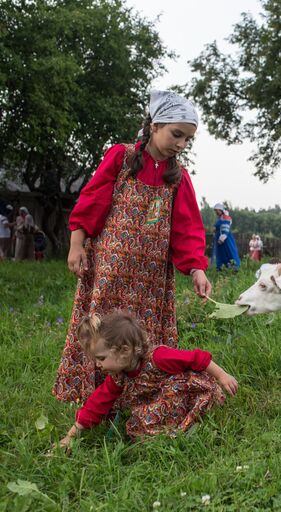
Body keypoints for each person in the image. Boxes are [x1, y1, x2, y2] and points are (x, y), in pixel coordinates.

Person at [53, 90, 211, 405]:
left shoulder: (177, 177)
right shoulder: (122, 157)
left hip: (151, 280)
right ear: (154, 126)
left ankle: (141, 393)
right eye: (175, 134)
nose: (180, 144)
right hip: (111, 269)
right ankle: (92, 391)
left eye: (187, 140)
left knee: (143, 332)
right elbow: (92, 199)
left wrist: (196, 268)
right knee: (105, 325)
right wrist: (76, 244)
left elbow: (187, 227)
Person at [58, 312, 237, 447]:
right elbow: (96, 404)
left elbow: (196, 358)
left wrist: (222, 376)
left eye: (101, 358)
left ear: (125, 351)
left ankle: (185, 425)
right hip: (160, 402)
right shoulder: (118, 377)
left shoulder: (159, 357)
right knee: (139, 420)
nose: (97, 364)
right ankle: (168, 428)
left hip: (189, 392)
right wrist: (70, 437)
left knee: (148, 413)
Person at [212, 202, 241, 271]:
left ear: (221, 210)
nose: (216, 212)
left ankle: (234, 268)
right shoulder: (220, 218)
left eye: (217, 210)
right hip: (219, 237)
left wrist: (222, 239)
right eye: (215, 211)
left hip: (226, 240)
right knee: (221, 253)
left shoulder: (226, 218)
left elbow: (226, 229)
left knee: (229, 252)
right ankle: (221, 268)